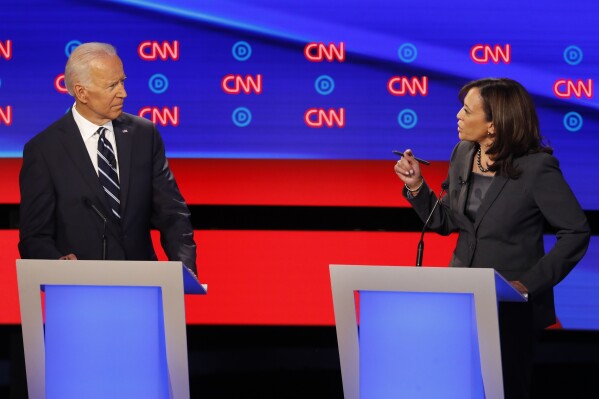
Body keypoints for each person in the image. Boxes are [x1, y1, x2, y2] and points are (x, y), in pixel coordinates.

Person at [394, 77, 590, 398]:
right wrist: (417, 186)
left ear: (494, 125)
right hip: (460, 298)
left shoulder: (538, 169)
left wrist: (527, 283)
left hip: (509, 309)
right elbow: (446, 221)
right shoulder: (463, 153)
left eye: (467, 110)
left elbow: (576, 233)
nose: (458, 115)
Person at [19, 42, 197, 274]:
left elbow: (172, 214)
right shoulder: (44, 150)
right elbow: (34, 237)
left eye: (122, 81)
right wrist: (58, 264)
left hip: (142, 285)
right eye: (112, 85)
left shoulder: (144, 135)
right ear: (82, 92)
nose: (123, 92)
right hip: (78, 291)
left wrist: (184, 270)